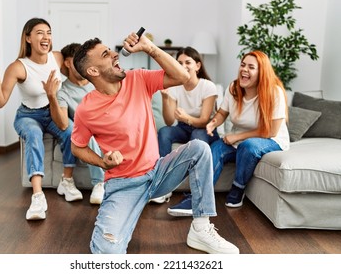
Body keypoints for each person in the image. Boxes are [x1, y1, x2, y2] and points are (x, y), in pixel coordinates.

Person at [69, 31, 239, 254]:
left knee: (199, 148)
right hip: (123, 185)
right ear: (93, 71)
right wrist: (103, 162)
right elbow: (77, 146)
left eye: (110, 49)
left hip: (158, 172)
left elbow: (182, 77)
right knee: (106, 252)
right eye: (105, 54)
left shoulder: (137, 78)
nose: (114, 53)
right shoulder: (86, 109)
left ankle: (200, 228)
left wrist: (149, 48)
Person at [0, 17, 82, 221]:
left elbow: (76, 76)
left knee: (71, 131)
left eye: (49, 32)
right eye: (40, 33)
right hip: (28, 115)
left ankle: (67, 181)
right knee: (34, 134)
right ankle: (37, 196)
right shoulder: (18, 67)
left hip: (52, 110)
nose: (46, 37)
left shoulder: (58, 57)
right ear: (27, 38)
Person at [168, 50, 290, 216]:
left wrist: (237, 136)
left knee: (248, 146)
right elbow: (222, 114)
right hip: (237, 140)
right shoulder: (234, 88)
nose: (244, 69)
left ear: (262, 72)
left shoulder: (274, 92)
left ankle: (238, 189)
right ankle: (197, 199)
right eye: (242, 65)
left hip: (269, 139)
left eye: (251, 67)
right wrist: (212, 123)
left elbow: (271, 130)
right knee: (215, 150)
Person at [43, 42, 105, 204]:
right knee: (86, 129)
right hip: (87, 132)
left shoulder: (98, 84)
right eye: (78, 59)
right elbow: (63, 124)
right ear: (68, 63)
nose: (84, 64)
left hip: (107, 126)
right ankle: (99, 182)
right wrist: (51, 97)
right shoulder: (63, 91)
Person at [158, 46, 219, 157]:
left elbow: (204, 121)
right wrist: (165, 98)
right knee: (164, 131)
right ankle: (163, 171)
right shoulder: (174, 87)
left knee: (197, 135)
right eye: (179, 63)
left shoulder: (208, 86)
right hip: (183, 128)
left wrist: (185, 118)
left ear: (198, 66)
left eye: (188, 62)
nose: (183, 66)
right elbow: (169, 122)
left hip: (205, 129)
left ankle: (194, 172)